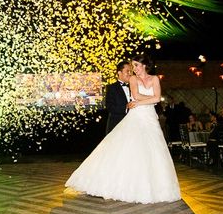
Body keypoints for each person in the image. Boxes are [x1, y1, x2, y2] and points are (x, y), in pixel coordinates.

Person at [65, 54, 180, 204]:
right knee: (128, 148)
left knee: (153, 151)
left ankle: (152, 187)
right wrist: (145, 100)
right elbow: (137, 95)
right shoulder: (133, 79)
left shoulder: (155, 79)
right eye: (132, 66)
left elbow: (157, 98)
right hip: (137, 116)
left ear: (144, 65)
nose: (134, 69)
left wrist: (139, 102)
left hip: (150, 118)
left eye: (136, 66)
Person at [104, 61, 132, 134]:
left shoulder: (134, 86)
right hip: (117, 125)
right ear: (119, 72)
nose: (130, 73)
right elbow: (110, 107)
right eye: (127, 71)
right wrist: (126, 107)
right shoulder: (111, 88)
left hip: (133, 125)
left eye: (131, 71)